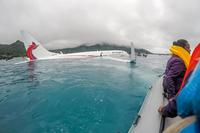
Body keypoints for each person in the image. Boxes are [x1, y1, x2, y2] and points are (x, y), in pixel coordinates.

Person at [158, 39, 191, 118]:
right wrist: (171, 97)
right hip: (174, 89)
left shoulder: (174, 57)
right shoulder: (180, 61)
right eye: (188, 47)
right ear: (182, 48)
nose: (190, 49)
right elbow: (169, 78)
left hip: (169, 85)